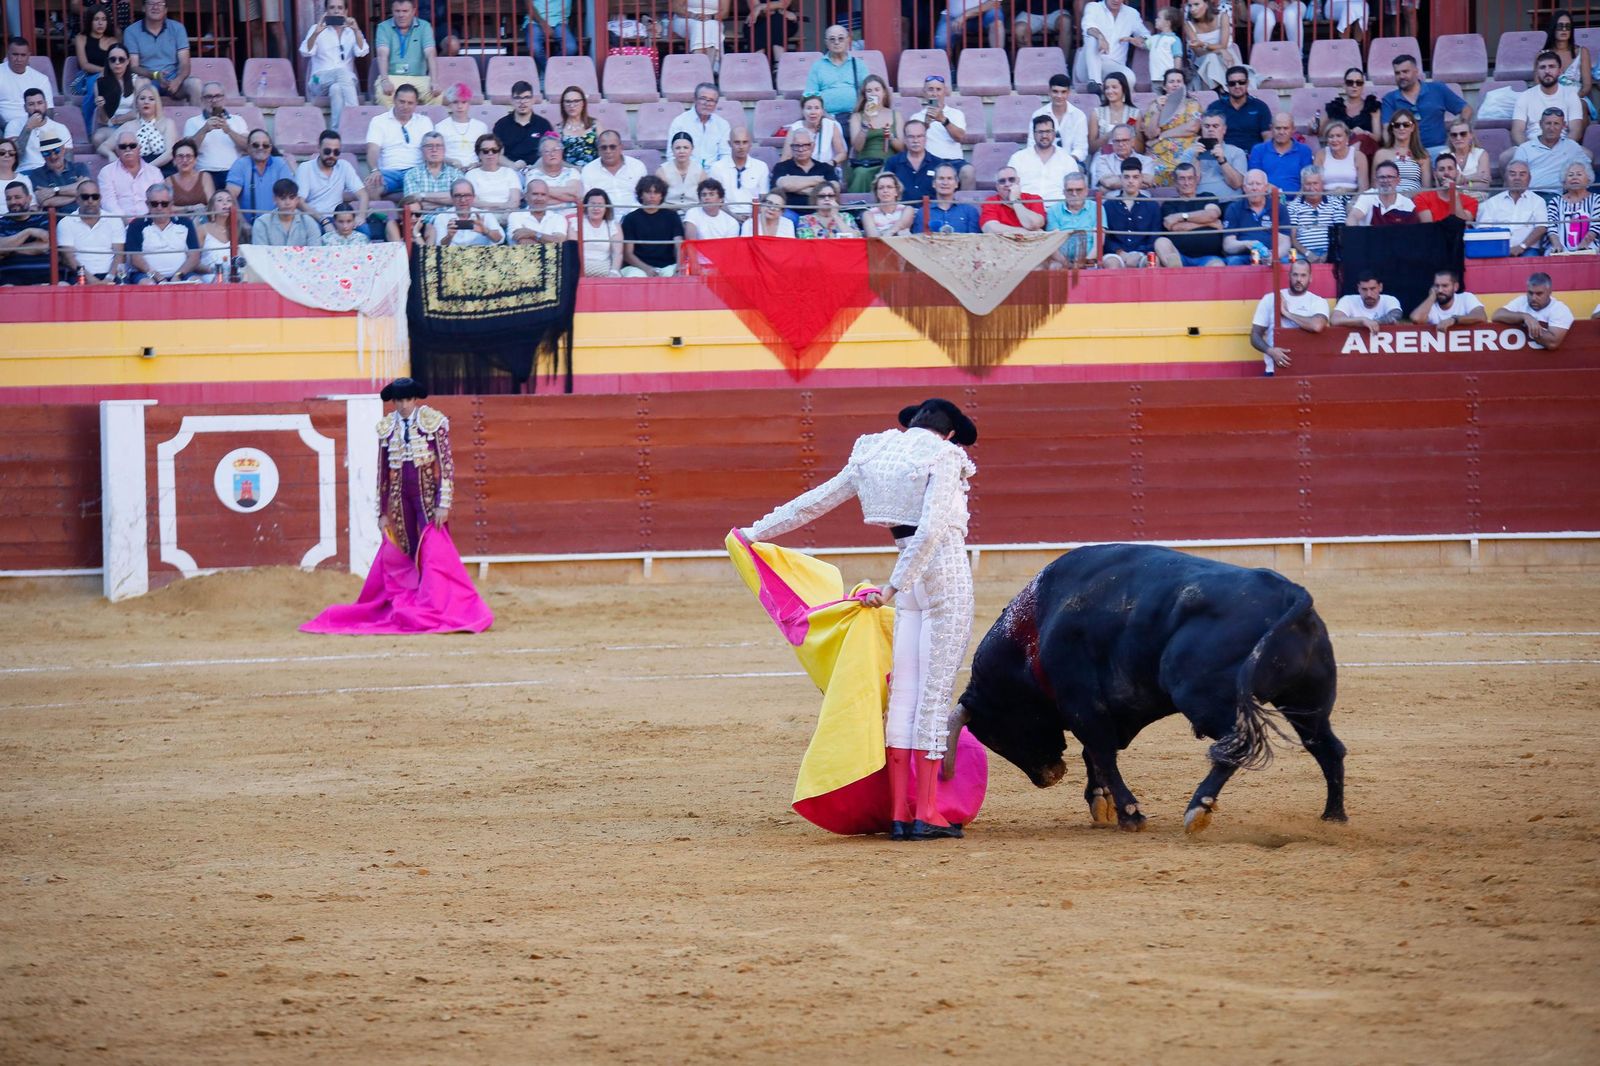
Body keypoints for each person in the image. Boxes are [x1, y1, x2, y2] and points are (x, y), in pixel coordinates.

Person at [741, 397, 980, 842]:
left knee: (905, 694)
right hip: (942, 577)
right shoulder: (945, 456)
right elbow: (929, 531)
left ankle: (898, 813)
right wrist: (891, 586)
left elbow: (816, 501)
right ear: (948, 433)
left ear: (913, 424)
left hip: (908, 584)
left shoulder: (875, 452)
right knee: (932, 693)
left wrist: (754, 531)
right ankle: (926, 811)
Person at [375, 377, 452, 558]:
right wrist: (381, 513)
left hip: (426, 493)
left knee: (431, 544)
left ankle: (432, 586)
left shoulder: (432, 422)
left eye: (408, 400)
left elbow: (446, 465)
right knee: (407, 545)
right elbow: (382, 473)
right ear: (393, 401)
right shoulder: (387, 427)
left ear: (415, 399)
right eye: (399, 401)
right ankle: (414, 586)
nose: (404, 405)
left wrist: (443, 503)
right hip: (399, 495)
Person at [1380, 54, 1470, 159]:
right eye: (1397, 73)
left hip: (1439, 150)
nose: (1401, 76)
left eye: (1405, 71)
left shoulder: (1438, 89)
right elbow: (1387, 130)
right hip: (1408, 153)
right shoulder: (1389, 99)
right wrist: (1394, 153)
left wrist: (1461, 128)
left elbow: (1466, 109)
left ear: (1416, 71)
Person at [301, 0, 368, 132]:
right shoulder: (316, 28)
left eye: (340, 7)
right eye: (332, 7)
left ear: (346, 11)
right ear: (326, 11)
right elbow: (305, 52)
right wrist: (316, 33)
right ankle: (355, 118)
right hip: (317, 80)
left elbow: (362, 51)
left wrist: (356, 31)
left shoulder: (351, 31)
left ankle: (337, 132)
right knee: (341, 73)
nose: (336, 11)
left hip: (345, 82)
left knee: (336, 89)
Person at [1251, 257, 1326, 373]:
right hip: (1274, 370)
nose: (1298, 279)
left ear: (1310, 278)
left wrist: (1286, 313)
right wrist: (1270, 351)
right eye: (1295, 275)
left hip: (1307, 371)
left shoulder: (1318, 301)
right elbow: (1255, 335)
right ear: (1289, 276)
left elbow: (1317, 326)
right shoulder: (1270, 299)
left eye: (1303, 275)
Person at [122, 1, 198, 104]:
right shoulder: (131, 31)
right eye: (151, 3)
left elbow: (185, 63)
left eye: (160, 3)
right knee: (139, 83)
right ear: (143, 8)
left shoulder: (177, 28)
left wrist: (178, 80)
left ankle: (200, 119)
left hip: (173, 77)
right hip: (147, 78)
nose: (155, 7)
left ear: (166, 10)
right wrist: (156, 75)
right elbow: (133, 66)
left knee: (195, 84)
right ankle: (140, 119)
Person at [365, 84, 433, 198]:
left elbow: (431, 148)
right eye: (402, 101)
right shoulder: (378, 121)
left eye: (410, 103)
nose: (405, 106)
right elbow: (373, 149)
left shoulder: (424, 121)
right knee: (371, 187)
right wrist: (374, 170)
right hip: (388, 172)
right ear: (394, 100)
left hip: (416, 172)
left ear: (416, 104)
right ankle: (383, 215)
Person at [1153, 160, 1224, 266]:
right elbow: (1175, 228)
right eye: (1182, 179)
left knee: (1218, 266)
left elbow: (1212, 214)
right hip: (1179, 257)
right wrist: (1211, 223)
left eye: (1190, 178)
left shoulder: (1207, 197)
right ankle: (1178, 275)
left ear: (1196, 179)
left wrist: (1181, 216)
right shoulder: (1169, 203)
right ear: (1175, 181)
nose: (1187, 183)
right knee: (1161, 242)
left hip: (1209, 258)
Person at [124, 180, 199, 280]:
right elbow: (136, 259)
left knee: (196, 282)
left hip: (181, 274)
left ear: (171, 204)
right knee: (147, 284)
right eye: (154, 204)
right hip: (147, 275)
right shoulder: (136, 225)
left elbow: (194, 256)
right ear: (147, 204)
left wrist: (178, 275)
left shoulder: (186, 223)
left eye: (164, 204)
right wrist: (157, 277)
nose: (159, 208)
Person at [909, 76, 973, 189]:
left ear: (945, 92)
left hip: (954, 162)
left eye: (938, 89)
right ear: (924, 93)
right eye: (930, 89)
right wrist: (925, 125)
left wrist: (943, 120)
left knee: (968, 171)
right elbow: (912, 143)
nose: (935, 94)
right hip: (929, 162)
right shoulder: (916, 117)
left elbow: (960, 137)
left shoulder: (956, 114)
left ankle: (966, 206)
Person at [1141, 67, 1202, 184]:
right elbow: (1150, 134)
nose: (1175, 85)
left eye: (1179, 81)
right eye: (1171, 82)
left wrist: (1162, 135)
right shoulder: (1155, 105)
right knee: (1150, 173)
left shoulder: (1192, 103)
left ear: (1184, 85)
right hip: (1160, 154)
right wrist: (1159, 110)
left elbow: (1192, 128)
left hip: (1186, 152)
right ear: (1164, 86)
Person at [183, 83, 250, 188]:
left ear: (224, 98)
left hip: (233, 171)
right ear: (202, 100)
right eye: (209, 97)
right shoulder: (192, 122)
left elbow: (248, 147)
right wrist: (204, 130)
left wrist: (229, 131)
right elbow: (188, 151)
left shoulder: (237, 120)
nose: (213, 100)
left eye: (218, 96)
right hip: (205, 172)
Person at [1511, 108, 1593, 193]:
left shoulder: (1572, 147)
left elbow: (1587, 174)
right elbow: (1515, 176)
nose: (1552, 128)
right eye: (1548, 123)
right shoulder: (1525, 148)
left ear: (1563, 125)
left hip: (1563, 198)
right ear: (1540, 124)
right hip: (1533, 197)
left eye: (1556, 124)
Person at [57, 180, 126, 281]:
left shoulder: (114, 220)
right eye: (85, 197)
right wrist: (90, 280)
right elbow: (69, 258)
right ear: (77, 199)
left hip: (111, 276)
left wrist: (109, 278)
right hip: (79, 277)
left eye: (95, 197)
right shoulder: (66, 223)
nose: (90, 200)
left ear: (100, 199)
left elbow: (119, 254)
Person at [1513, 51, 1586, 146]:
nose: (1547, 71)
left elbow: (1576, 131)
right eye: (1542, 67)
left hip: (1563, 147)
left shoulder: (1571, 95)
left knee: (1588, 155)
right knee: (1505, 156)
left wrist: (1559, 149)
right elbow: (1517, 131)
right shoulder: (1525, 96)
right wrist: (1531, 149)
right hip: (1531, 146)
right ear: (1537, 72)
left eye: (1551, 66)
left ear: (1560, 71)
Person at [1476, 161, 1548, 257]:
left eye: (1522, 174)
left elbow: (1541, 227)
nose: (1517, 178)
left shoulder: (1538, 201)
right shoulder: (1493, 202)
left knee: (1530, 259)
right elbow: (1484, 228)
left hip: (1527, 249)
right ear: (1506, 178)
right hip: (1498, 249)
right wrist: (1500, 249)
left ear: (1529, 179)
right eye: (1512, 174)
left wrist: (1522, 246)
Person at [372, 0, 438, 105]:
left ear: (413, 11)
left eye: (405, 11)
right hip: (392, 77)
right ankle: (393, 121)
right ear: (392, 11)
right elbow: (382, 55)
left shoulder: (425, 26)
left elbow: (430, 54)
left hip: (419, 77)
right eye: (397, 11)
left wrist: (434, 81)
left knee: (436, 96)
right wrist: (385, 80)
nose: (401, 15)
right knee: (383, 95)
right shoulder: (383, 27)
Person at [804, 24, 869, 127]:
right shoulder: (817, 66)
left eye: (841, 38)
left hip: (855, 117)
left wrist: (858, 114)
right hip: (826, 119)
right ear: (826, 42)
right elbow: (810, 96)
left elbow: (868, 93)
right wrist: (825, 116)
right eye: (832, 39)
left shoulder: (858, 64)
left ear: (848, 40)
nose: (837, 42)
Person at [846, 74, 902, 194]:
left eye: (877, 90)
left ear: (884, 93)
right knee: (861, 173)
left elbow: (902, 147)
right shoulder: (857, 116)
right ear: (865, 95)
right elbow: (857, 147)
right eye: (869, 91)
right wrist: (865, 124)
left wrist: (891, 137)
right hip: (866, 163)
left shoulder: (895, 114)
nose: (873, 94)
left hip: (889, 162)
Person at [1222, 168, 1290, 263]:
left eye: (1258, 184)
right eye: (1250, 184)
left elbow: (1285, 243)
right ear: (1244, 188)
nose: (1254, 188)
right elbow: (1228, 246)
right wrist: (1246, 244)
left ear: (1266, 188)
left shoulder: (1279, 208)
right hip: (1244, 256)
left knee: (1287, 262)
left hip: (1272, 255)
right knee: (1234, 261)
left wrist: (1274, 255)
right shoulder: (1234, 208)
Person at [1492, 271, 1574, 351]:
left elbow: (1552, 343)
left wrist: (1529, 325)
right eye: (1530, 293)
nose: (1533, 298)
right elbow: (1496, 315)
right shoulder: (1522, 301)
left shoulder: (1559, 309)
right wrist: (1525, 317)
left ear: (1549, 292)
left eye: (1539, 294)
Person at [1100, 157, 1159, 267]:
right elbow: (1106, 238)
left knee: (1152, 262)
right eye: (1126, 177)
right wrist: (1120, 252)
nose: (1130, 181)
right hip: (1116, 255)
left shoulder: (1152, 206)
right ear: (1121, 179)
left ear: (1141, 179)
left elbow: (1154, 237)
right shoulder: (1108, 205)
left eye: (1135, 177)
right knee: (1112, 264)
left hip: (1143, 254)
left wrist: (1139, 254)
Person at [295, 129, 366, 220]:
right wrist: (323, 221)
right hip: (314, 218)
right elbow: (300, 202)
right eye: (327, 151)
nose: (331, 155)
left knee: (365, 230)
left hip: (339, 219)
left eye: (336, 152)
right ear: (319, 148)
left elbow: (363, 194)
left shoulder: (344, 166)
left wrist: (361, 216)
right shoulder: (305, 168)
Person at [226, 128, 294, 222]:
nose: (261, 148)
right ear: (248, 148)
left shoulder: (280, 164)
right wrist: (242, 223)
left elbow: (289, 195)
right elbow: (230, 196)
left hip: (276, 225)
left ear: (270, 148)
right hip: (248, 226)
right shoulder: (241, 164)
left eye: (265, 145)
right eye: (255, 145)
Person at [619, 174, 683, 273]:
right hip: (637, 268)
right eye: (648, 192)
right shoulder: (630, 219)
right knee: (635, 276)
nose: (652, 196)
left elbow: (679, 246)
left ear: (661, 195)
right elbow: (627, 254)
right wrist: (647, 269)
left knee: (676, 277)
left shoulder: (672, 216)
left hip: (668, 266)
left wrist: (679, 266)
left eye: (656, 192)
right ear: (641, 194)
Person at [1079, 0, 1148, 92]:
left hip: (1113, 66)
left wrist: (1137, 40)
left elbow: (1146, 38)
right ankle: (1095, 83)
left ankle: (1100, 88)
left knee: (1130, 78)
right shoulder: (1094, 7)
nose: (1116, 0)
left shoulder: (1132, 13)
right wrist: (1100, 37)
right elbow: (1088, 27)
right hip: (1088, 66)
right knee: (1092, 37)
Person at [882, 121, 953, 206]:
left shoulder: (938, 164)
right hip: (901, 214)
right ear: (905, 139)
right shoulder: (893, 163)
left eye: (919, 136)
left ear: (925, 138)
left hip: (931, 214)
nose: (915, 140)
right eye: (911, 137)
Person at [579, 130, 648, 219]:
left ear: (621, 148)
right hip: (604, 220)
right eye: (604, 147)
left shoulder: (637, 166)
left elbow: (645, 196)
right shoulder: (588, 170)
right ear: (598, 149)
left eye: (612, 147)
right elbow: (587, 202)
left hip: (636, 219)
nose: (608, 151)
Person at [1009, 114, 1079, 200]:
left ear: (1054, 133)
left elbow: (1076, 189)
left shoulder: (1067, 159)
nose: (1044, 136)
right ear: (1034, 134)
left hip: (1058, 208)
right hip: (1026, 208)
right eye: (1040, 132)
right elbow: (1009, 187)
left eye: (1048, 131)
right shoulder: (1017, 158)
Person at [1207, 66, 1273, 156]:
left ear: (1247, 83)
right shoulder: (1215, 107)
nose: (1237, 86)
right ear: (1226, 86)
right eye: (1232, 83)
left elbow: (1268, 138)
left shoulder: (1260, 107)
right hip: (1224, 156)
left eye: (1241, 82)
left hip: (1252, 156)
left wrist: (1260, 157)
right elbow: (1208, 135)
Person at [98, 127, 162, 219]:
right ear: (117, 150)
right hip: (118, 223)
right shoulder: (106, 172)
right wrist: (125, 220)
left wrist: (146, 220)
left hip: (150, 222)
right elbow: (108, 202)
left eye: (132, 146)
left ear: (139, 148)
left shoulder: (154, 172)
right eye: (123, 146)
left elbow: (159, 200)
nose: (128, 149)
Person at [1543, 9, 1595, 121]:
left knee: (1579, 106)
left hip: (1577, 97)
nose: (1564, 30)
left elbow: (1587, 86)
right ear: (1553, 28)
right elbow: (1539, 85)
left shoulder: (1582, 52)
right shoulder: (1542, 55)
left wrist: (1573, 98)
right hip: (1551, 98)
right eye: (1560, 26)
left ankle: (1575, 139)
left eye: (1568, 26)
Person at [668, 82, 732, 172]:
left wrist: (717, 174)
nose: (707, 103)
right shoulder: (679, 122)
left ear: (716, 103)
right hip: (686, 174)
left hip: (714, 176)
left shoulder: (722, 124)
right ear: (695, 99)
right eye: (703, 99)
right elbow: (672, 155)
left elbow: (726, 155)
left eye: (711, 100)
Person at [708, 126, 768, 220]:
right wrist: (734, 217)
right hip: (724, 215)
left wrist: (752, 216)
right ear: (729, 144)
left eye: (745, 142)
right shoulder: (717, 168)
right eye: (737, 142)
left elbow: (763, 197)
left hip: (754, 216)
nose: (741, 147)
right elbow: (716, 200)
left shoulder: (761, 167)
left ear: (750, 143)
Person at [771, 127, 839, 211]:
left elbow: (835, 188)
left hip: (819, 213)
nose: (801, 149)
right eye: (796, 145)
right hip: (790, 212)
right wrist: (818, 180)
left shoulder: (825, 167)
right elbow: (783, 185)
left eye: (805, 145)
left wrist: (794, 186)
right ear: (791, 147)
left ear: (813, 146)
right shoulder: (781, 167)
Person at [5, 87, 71, 173]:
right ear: (25, 107)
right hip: (26, 171)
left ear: (46, 105)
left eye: (40, 103)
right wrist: (28, 127)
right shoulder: (14, 125)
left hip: (51, 172)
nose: (36, 108)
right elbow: (15, 155)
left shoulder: (60, 128)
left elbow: (68, 159)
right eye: (31, 104)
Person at [1315, 65, 1381, 151]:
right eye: (1350, 82)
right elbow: (1319, 131)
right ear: (1344, 85)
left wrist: (1364, 133)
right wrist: (1313, 126)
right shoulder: (1336, 106)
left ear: (1363, 86)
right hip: (1340, 149)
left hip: (1365, 151)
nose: (1354, 86)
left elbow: (1377, 138)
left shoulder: (1371, 106)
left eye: (1358, 83)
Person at [1047, 171, 1106, 267]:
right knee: (1054, 267)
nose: (1074, 194)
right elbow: (1053, 246)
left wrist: (1085, 262)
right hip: (1061, 261)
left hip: (1090, 260)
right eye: (1070, 190)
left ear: (1086, 191)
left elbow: (1098, 243)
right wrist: (1067, 264)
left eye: (1079, 190)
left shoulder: (1097, 208)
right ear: (1064, 192)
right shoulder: (1053, 210)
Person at [1031, 74, 1088, 170]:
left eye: (1063, 92)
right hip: (1043, 161)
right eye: (1055, 91)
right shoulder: (1037, 115)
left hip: (1071, 162)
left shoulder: (1079, 116)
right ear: (1049, 92)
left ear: (1069, 92)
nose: (1059, 96)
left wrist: (1066, 162)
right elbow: (1032, 144)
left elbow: (1081, 149)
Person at [1183, 0, 1241, 93]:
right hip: (1202, 61)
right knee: (1211, 58)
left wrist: (1203, 44)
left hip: (1225, 58)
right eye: (1190, 6)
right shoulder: (1188, 24)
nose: (1192, 9)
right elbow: (1198, 53)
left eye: (1196, 4)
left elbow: (1224, 45)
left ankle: (1222, 89)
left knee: (1216, 57)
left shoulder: (1223, 16)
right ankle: (1223, 90)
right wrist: (1219, 50)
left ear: (1207, 4)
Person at [493, 81, 553, 171]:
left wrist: (532, 168)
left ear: (533, 100)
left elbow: (550, 152)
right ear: (512, 101)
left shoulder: (543, 124)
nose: (522, 102)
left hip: (538, 170)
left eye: (526, 97)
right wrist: (512, 165)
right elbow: (496, 154)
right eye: (517, 98)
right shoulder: (501, 125)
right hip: (509, 170)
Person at [1248, 112, 1313, 193]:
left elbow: (1308, 181)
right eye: (1278, 128)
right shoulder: (1258, 150)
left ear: (1293, 129)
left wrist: (1296, 202)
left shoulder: (1304, 151)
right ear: (1271, 128)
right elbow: (1255, 180)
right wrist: (1276, 192)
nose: (1281, 132)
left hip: (1296, 201)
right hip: (1266, 200)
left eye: (1286, 128)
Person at [1287, 166, 1342, 262]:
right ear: (1302, 185)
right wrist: (1307, 253)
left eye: (1315, 183)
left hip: (1331, 252)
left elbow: (1341, 233)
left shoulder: (1335, 203)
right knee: (1286, 260)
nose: (1312, 188)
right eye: (1308, 184)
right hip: (1303, 254)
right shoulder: (1293, 206)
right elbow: (1292, 238)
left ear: (1322, 184)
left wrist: (1329, 253)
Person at [1184, 110, 1245, 198]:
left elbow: (1236, 184)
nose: (1211, 130)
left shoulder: (1237, 152)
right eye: (1207, 126)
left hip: (1228, 202)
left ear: (1224, 129)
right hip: (1199, 203)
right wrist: (1196, 158)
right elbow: (1188, 186)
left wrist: (1223, 161)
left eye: (1215, 126)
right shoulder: (1189, 153)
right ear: (1202, 129)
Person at [88, 44, 139, 146]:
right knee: (97, 138)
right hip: (111, 127)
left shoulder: (136, 81)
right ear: (108, 61)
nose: (117, 63)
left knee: (126, 139)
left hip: (133, 125)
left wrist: (115, 120)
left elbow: (136, 113)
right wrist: (101, 106)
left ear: (128, 61)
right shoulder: (100, 83)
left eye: (121, 59)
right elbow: (104, 120)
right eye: (113, 59)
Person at [401, 130, 463, 215]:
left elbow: (461, 200)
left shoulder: (456, 173)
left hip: (450, 221)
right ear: (422, 150)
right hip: (423, 223)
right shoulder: (412, 174)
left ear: (444, 149)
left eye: (438, 146)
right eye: (429, 146)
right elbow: (413, 205)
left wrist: (422, 196)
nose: (434, 150)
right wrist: (448, 200)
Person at [426, 177, 502, 245]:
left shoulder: (485, 215)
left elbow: (499, 239)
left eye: (467, 195)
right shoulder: (442, 217)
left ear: (473, 197)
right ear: (452, 198)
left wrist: (485, 231)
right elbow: (440, 245)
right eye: (458, 195)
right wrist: (449, 236)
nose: (462, 200)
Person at [27, 133, 91, 214]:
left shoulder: (79, 167)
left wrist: (54, 191)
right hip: (56, 220)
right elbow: (46, 202)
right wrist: (79, 195)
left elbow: (87, 189)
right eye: (46, 153)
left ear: (63, 149)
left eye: (56, 151)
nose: (53, 156)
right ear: (41, 154)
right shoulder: (37, 174)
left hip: (83, 215)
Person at [0, 178, 49, 282]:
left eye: (17, 197)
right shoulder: (2, 222)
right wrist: (28, 232)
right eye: (8, 198)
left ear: (29, 198)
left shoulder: (42, 219)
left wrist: (9, 250)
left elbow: (45, 245)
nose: (13, 202)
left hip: (44, 280)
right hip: (10, 281)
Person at [1545, 160, 1600, 253]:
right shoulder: (1555, 202)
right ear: (1564, 182)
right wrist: (1557, 245)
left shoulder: (1597, 199)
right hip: (1560, 248)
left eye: (1579, 174)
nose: (1574, 178)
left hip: (1589, 246)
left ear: (1588, 179)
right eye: (1570, 175)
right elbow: (1551, 227)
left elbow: (1596, 226)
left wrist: (1584, 245)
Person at [1373, 108, 1430, 195]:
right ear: (1392, 129)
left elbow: (1426, 188)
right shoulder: (1381, 154)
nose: (1401, 128)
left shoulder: (1422, 155)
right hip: (1388, 200)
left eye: (1406, 125)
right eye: (1397, 125)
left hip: (1415, 202)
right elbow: (1374, 186)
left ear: (1412, 127)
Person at [912, 162, 980, 234]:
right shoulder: (923, 212)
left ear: (956, 184)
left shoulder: (969, 211)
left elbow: (975, 241)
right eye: (941, 178)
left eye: (949, 178)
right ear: (934, 184)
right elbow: (918, 242)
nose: (945, 183)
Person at [251, 177, 321, 246]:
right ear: (274, 199)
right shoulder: (262, 223)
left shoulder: (309, 223)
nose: (287, 203)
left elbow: (314, 253)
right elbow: (260, 254)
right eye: (283, 198)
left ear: (297, 199)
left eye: (292, 198)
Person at [0, 36, 51, 131]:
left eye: (23, 55)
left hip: (35, 127)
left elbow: (49, 110)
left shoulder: (41, 79)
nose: (19, 59)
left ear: (29, 56)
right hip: (4, 127)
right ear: (7, 55)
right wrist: (8, 128)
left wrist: (41, 126)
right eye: (15, 54)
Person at [464, 133, 521, 218]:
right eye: (485, 151)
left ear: (499, 152)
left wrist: (505, 215)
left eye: (494, 150)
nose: (490, 153)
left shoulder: (510, 173)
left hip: (507, 216)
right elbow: (473, 202)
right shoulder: (471, 175)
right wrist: (503, 205)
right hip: (481, 218)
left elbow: (515, 202)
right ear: (479, 154)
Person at [783, 93, 847, 167]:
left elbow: (842, 153)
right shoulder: (795, 127)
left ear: (822, 111)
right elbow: (786, 157)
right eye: (809, 108)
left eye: (817, 108)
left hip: (826, 168)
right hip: (800, 170)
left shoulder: (831, 125)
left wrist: (831, 163)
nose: (813, 112)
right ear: (802, 111)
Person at [434, 82, 487, 170]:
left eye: (463, 102)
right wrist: (451, 162)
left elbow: (486, 152)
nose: (460, 106)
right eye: (455, 102)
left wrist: (477, 164)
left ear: (469, 104)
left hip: (475, 170)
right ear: (450, 104)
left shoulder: (481, 126)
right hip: (449, 170)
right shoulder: (440, 127)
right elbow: (437, 154)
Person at [1412, 152, 1477, 224]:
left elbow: (1463, 226)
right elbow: (1428, 228)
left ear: (1457, 173)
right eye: (1441, 169)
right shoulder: (1422, 198)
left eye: (1450, 168)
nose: (1446, 173)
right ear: (1435, 174)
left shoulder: (1471, 201)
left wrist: (1453, 194)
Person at [1409, 269, 1486, 329]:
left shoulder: (1466, 297)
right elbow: (1416, 319)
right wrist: (1431, 297)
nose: (1440, 290)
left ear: (1455, 287)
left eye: (1445, 286)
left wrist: (1454, 320)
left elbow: (1481, 316)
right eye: (1437, 286)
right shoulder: (1430, 305)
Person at [570, 187, 623, 275]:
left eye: (600, 204)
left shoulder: (613, 225)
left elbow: (617, 253)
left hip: (606, 268)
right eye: (592, 204)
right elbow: (572, 252)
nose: (596, 208)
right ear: (586, 206)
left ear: (606, 207)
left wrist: (614, 272)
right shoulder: (575, 223)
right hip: (581, 269)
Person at [1330, 270, 1403, 332]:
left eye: (1373, 289)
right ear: (1358, 288)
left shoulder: (1389, 300)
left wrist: (1373, 322)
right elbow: (1334, 320)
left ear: (1380, 287)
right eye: (1364, 289)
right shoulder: (1348, 300)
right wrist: (1362, 320)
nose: (1369, 294)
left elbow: (1395, 315)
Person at [526, 133, 581, 215]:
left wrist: (543, 192)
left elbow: (576, 195)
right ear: (541, 155)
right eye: (547, 151)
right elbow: (535, 201)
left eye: (555, 150)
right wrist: (569, 197)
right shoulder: (533, 174)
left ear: (562, 151)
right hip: (543, 217)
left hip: (571, 216)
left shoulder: (572, 172)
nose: (552, 154)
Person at [979, 166, 1045, 235]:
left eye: (1012, 179)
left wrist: (1015, 201)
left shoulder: (1034, 199)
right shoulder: (991, 201)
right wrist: (1027, 232)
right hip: (1002, 243)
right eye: (1002, 181)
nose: (1007, 184)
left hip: (1032, 244)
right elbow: (991, 229)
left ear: (1018, 181)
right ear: (997, 186)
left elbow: (1034, 224)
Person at [72, 5, 118, 98]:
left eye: (104, 19)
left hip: (109, 78)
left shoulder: (113, 41)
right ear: (90, 21)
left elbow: (116, 62)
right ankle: (89, 112)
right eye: (96, 19)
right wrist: (104, 71)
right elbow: (84, 65)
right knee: (98, 82)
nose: (100, 23)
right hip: (85, 79)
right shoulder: (81, 38)